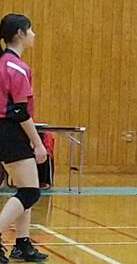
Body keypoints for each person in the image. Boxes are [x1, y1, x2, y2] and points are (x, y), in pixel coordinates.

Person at [0, 14, 49, 263]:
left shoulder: (2, 63)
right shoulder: (16, 68)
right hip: (10, 131)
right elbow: (19, 112)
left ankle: (21, 244)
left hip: (5, 131)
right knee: (30, 192)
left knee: (24, 187)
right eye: (30, 30)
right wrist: (38, 143)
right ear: (20, 33)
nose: (33, 34)